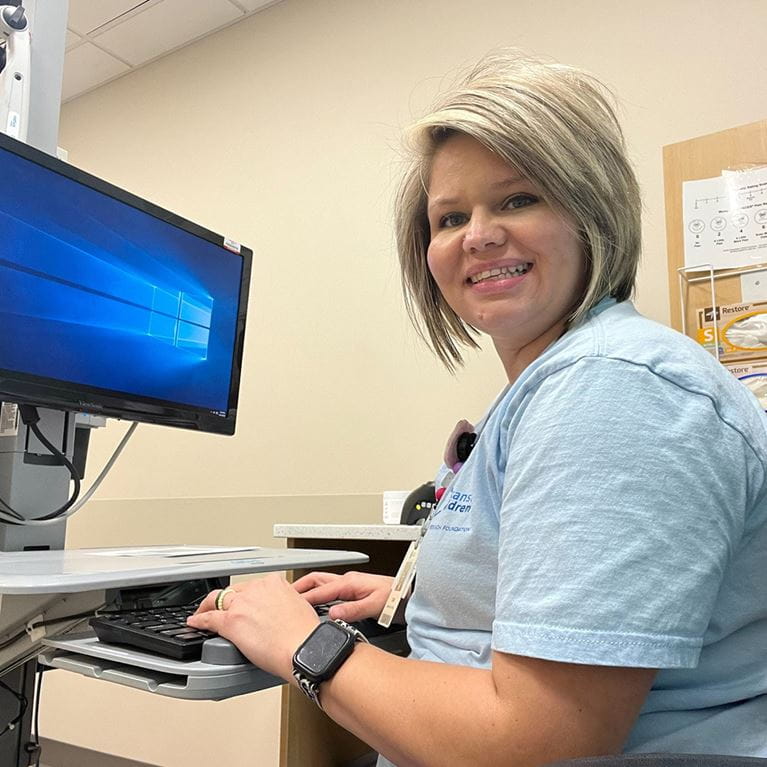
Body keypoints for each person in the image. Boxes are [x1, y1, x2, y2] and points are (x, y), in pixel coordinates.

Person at [187, 51, 767, 764]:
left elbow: (540, 737)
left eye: (518, 199)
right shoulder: (552, 384)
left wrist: (298, 640)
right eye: (449, 216)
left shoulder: (614, 388)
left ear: (593, 210)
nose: (477, 234)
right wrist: (421, 593)